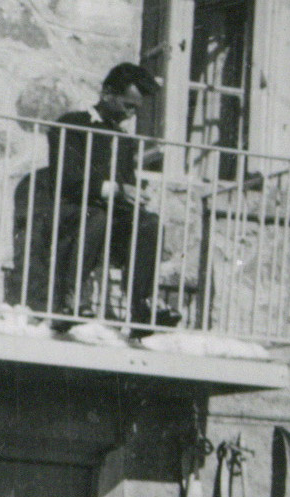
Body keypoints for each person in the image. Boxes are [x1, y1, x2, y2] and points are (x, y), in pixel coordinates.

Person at [45, 63, 178, 331]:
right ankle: (70, 302)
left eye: (136, 109)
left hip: (108, 218)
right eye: (128, 105)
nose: (131, 114)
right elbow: (68, 179)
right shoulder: (72, 125)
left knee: (148, 223)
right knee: (97, 217)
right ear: (107, 93)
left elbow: (125, 184)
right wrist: (116, 190)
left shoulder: (123, 139)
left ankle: (141, 308)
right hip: (72, 212)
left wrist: (133, 196)